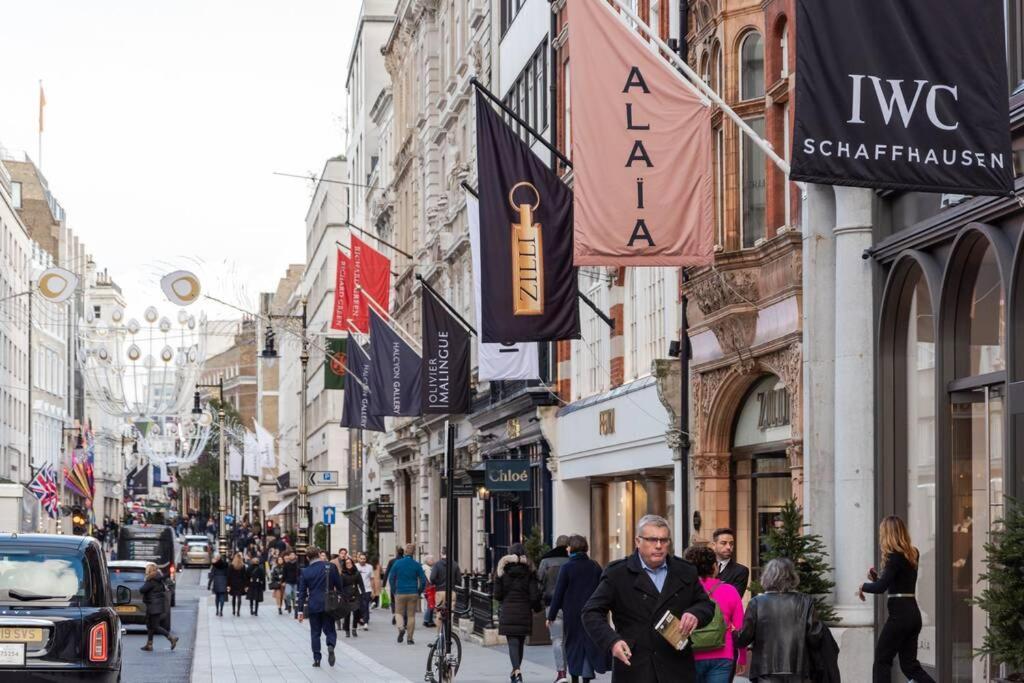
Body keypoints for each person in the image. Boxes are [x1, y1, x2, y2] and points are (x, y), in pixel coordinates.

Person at [582, 514, 715, 683]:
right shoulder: (618, 573)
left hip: (676, 667)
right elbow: (591, 612)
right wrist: (612, 642)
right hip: (635, 667)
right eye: (652, 540)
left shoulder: (685, 570)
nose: (659, 546)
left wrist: (695, 613)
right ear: (638, 542)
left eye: (664, 540)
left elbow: (705, 604)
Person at [858, 515, 935, 683]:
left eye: (882, 533)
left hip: (899, 616)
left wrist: (862, 586)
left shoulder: (894, 557)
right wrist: (876, 578)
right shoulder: (912, 553)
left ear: (888, 534)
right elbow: (897, 583)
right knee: (910, 666)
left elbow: (880, 588)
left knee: (881, 659)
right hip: (913, 614)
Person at [734, 558, 824, 682]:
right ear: (792, 577)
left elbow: (744, 638)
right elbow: (815, 636)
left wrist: (733, 633)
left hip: (765, 670)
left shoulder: (757, 603)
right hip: (798, 669)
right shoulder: (805, 601)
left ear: (767, 577)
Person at [547, 535, 611, 683]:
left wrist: (551, 615)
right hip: (591, 613)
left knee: (573, 645)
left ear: (572, 548)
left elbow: (558, 593)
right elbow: (603, 589)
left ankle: (575, 677)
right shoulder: (594, 566)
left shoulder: (567, 568)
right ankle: (586, 679)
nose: (567, 549)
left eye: (568, 546)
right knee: (589, 643)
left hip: (572, 614)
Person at [682, 545, 745, 683]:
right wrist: (743, 657)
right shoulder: (730, 590)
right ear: (714, 567)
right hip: (723, 655)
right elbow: (740, 628)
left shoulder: (682, 592)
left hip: (690, 655)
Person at [494, 542, 543, 683]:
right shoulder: (530, 571)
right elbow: (534, 596)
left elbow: (497, 595)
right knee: (520, 643)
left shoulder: (503, 571)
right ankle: (516, 671)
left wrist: (499, 581)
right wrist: (538, 608)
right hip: (524, 611)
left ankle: (516, 672)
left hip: (509, 610)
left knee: (513, 643)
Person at [297, 546, 345, 668]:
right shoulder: (330, 567)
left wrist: (300, 611)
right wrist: (340, 596)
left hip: (313, 605)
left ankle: (317, 659)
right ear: (319, 554)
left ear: (307, 557)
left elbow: (302, 593)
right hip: (329, 604)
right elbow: (339, 585)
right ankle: (330, 645)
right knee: (330, 629)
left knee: (315, 633)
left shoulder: (305, 571)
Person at [538, 534, 571, 683]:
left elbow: (539, 581)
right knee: (570, 640)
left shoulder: (546, 561)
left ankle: (561, 673)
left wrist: (541, 598)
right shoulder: (571, 561)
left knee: (557, 639)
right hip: (570, 605)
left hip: (552, 604)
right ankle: (573, 671)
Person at [388, 542, 427, 645]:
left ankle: (401, 628)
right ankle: (410, 639)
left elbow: (391, 578)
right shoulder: (417, 565)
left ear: (405, 552)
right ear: (413, 552)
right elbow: (423, 580)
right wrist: (419, 591)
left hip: (400, 592)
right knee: (411, 616)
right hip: (413, 592)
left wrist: (394, 590)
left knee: (398, 613)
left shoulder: (397, 563)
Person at [139, 563, 179, 651]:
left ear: (149, 571)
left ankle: (171, 638)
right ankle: (149, 645)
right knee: (150, 626)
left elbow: (142, 590)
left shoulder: (151, 581)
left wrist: (145, 582)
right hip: (156, 605)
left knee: (155, 626)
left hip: (153, 606)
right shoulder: (158, 579)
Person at [429, 547, 462, 633]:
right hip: (451, 591)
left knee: (439, 613)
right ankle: (448, 634)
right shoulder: (455, 564)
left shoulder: (437, 564)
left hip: (440, 591)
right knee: (450, 613)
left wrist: (437, 583)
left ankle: (439, 634)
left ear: (441, 553)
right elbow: (459, 580)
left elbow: (432, 578)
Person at [711, 528, 749, 599]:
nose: (729, 547)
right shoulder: (705, 567)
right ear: (714, 545)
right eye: (723, 543)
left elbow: (735, 598)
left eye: (731, 543)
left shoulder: (741, 571)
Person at [339, 557, 366, 638]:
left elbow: (361, 584)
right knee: (347, 614)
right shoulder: (342, 574)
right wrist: (340, 595)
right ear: (345, 565)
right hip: (346, 595)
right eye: (347, 563)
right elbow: (340, 586)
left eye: (350, 563)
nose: (349, 564)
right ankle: (347, 630)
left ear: (352, 564)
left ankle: (354, 628)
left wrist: (363, 593)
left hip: (355, 594)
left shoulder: (357, 573)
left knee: (356, 612)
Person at [383, 545, 404, 624]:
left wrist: (384, 584)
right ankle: (400, 615)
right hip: (403, 583)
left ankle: (395, 614)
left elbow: (387, 572)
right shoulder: (405, 560)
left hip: (394, 583)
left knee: (393, 600)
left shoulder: (392, 561)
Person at [355, 552, 374, 629]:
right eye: (361, 559)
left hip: (367, 589)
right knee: (359, 606)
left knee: (365, 605)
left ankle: (365, 622)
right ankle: (360, 620)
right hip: (357, 589)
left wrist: (373, 590)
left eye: (364, 559)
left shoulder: (369, 567)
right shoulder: (355, 566)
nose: (363, 560)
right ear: (358, 559)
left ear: (366, 559)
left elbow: (372, 579)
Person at [227, 552, 248, 617]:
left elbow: (229, 576)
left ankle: (233, 610)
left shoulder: (231, 566)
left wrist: (228, 585)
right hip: (240, 583)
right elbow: (245, 576)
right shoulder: (243, 566)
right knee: (239, 597)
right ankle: (238, 611)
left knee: (233, 597)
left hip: (233, 583)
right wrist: (245, 585)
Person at [283, 550, 300, 617]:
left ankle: (295, 609)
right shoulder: (286, 564)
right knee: (288, 593)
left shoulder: (298, 564)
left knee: (295, 596)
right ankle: (289, 604)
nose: (292, 556)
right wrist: (283, 581)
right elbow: (284, 573)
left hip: (296, 582)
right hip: (288, 582)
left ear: (295, 556)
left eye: (293, 555)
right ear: (289, 556)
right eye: (291, 555)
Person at [421, 554, 436, 628]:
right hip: (429, 589)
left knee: (430, 604)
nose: (433, 561)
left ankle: (430, 620)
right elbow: (430, 579)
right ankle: (426, 620)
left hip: (426, 589)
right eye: (431, 560)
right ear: (427, 561)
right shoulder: (427, 569)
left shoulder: (425, 567)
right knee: (431, 605)